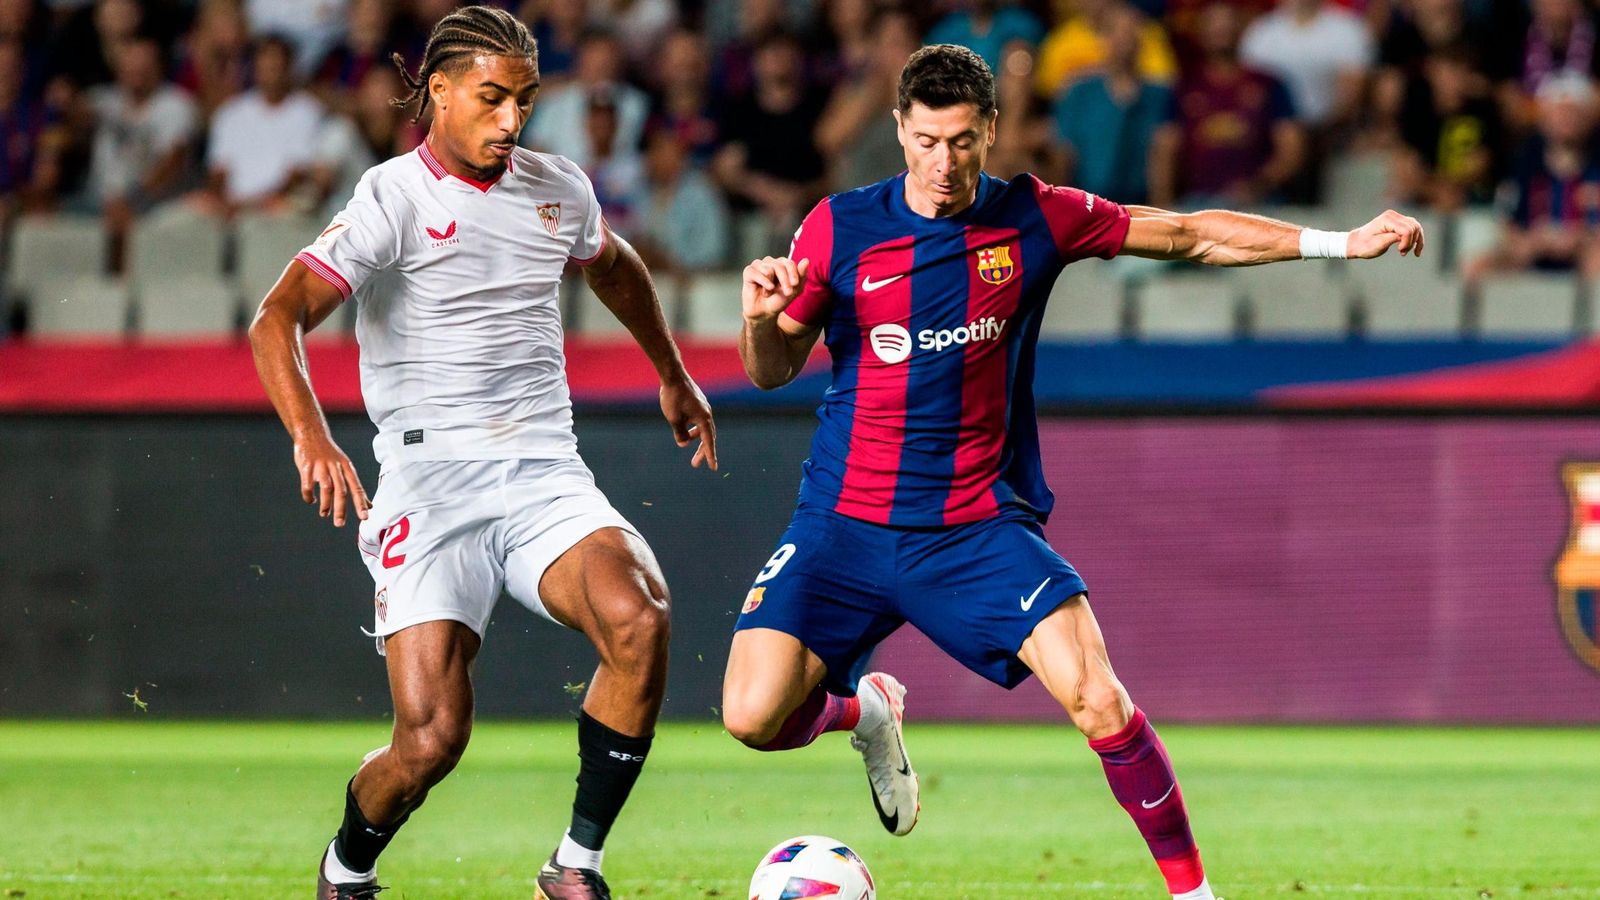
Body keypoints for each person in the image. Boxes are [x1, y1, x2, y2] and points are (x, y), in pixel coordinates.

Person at [724, 43, 1423, 900]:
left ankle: (1194, 895)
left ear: (992, 131)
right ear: (899, 131)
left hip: (973, 527)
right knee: (752, 719)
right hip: (842, 523)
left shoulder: (1034, 219)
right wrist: (760, 319)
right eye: (927, 141)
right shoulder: (839, 228)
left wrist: (1340, 243)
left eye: (964, 142)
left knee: (1098, 696)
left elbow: (1191, 235)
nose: (944, 165)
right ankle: (866, 710)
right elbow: (768, 368)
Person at [246, 7, 716, 900]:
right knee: (431, 740)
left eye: (525, 101)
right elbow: (278, 317)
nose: (511, 121)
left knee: (640, 615)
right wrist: (312, 433)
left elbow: (612, 265)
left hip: (543, 472)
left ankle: (575, 865)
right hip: (429, 484)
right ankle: (347, 864)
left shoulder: (557, 188)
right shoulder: (393, 198)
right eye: (493, 98)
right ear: (440, 92)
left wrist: (673, 371)